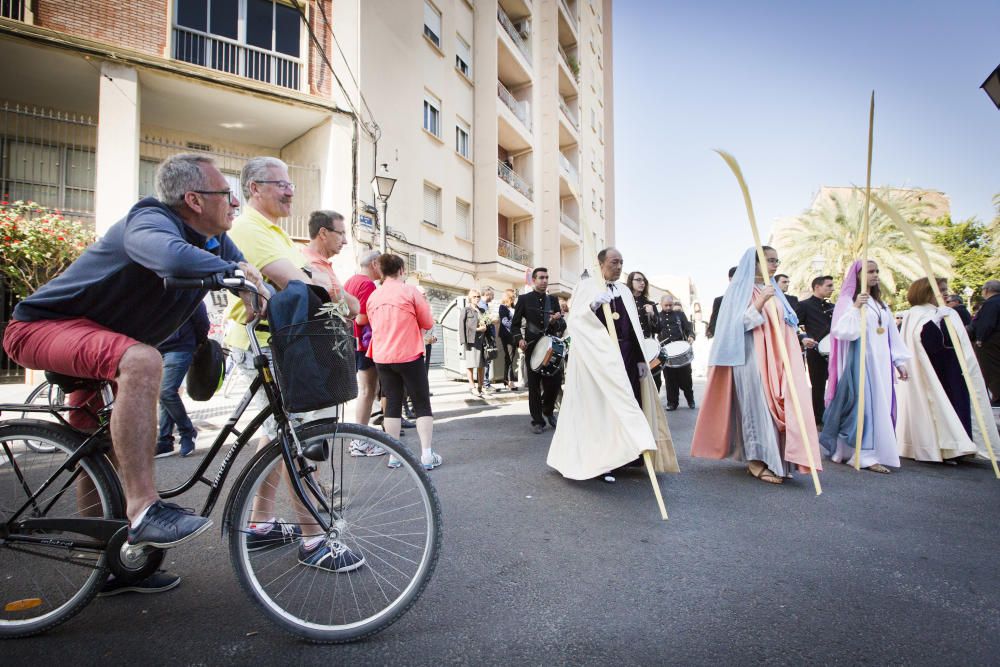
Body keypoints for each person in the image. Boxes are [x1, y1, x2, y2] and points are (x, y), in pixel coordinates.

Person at [2, 153, 262, 594]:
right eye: (228, 195)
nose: (234, 203)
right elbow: (174, 260)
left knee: (97, 455)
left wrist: (261, 295)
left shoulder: (215, 241)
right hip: (40, 329)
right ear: (194, 200)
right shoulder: (150, 221)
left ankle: (103, 565)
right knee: (143, 360)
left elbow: (208, 297)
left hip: (99, 346)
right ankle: (144, 510)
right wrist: (233, 273)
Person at [225, 156, 364, 572]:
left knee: (273, 438)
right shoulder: (251, 228)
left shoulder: (275, 232)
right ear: (254, 188)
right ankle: (313, 537)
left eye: (291, 185)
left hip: (277, 342)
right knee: (295, 438)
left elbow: (320, 285)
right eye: (280, 184)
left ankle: (261, 524)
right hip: (270, 344)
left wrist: (328, 289)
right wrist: (331, 291)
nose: (290, 191)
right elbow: (301, 284)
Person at [691, 247, 822, 485]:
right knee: (757, 407)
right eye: (768, 261)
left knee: (781, 405)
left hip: (778, 359)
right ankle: (757, 461)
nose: (774, 265)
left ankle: (778, 459)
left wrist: (800, 339)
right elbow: (735, 325)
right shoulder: (740, 291)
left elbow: (787, 323)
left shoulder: (777, 292)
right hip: (751, 357)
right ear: (755, 264)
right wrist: (760, 302)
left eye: (776, 260)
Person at [547, 248, 678, 482]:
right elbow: (575, 322)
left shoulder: (624, 291)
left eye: (621, 263)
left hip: (626, 357)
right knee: (602, 409)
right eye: (614, 262)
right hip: (599, 359)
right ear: (600, 264)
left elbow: (634, 330)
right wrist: (593, 307)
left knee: (628, 404)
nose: (618, 267)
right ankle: (602, 460)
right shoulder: (586, 287)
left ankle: (627, 455)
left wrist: (640, 361)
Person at [820, 260, 911, 473]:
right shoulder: (847, 301)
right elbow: (842, 332)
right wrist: (855, 307)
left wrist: (899, 361)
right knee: (864, 408)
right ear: (858, 276)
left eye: (877, 271)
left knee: (881, 406)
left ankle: (871, 452)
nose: (875, 275)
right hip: (862, 364)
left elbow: (891, 336)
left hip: (882, 365)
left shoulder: (881, 304)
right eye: (870, 271)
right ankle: (863, 455)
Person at [897, 278, 998, 462]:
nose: (945, 293)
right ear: (926, 291)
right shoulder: (917, 314)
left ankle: (962, 445)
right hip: (933, 369)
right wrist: (935, 321)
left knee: (959, 404)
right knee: (939, 407)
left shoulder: (946, 312)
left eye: (945, 289)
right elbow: (925, 341)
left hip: (952, 367)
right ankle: (946, 447)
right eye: (940, 289)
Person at [365, 254, 441, 470]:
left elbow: (372, 323)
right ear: (401, 270)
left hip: (382, 356)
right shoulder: (411, 291)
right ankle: (426, 455)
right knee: (421, 403)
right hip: (409, 354)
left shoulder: (374, 297)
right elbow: (427, 322)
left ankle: (394, 456)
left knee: (392, 403)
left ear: (381, 272)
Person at [154, 301, 210, 458]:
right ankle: (165, 441)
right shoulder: (150, 289)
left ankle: (187, 432)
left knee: (166, 392)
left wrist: (197, 343)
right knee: (164, 394)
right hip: (157, 348)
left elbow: (202, 320)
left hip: (180, 346)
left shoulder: (185, 286)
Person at [512, 268, 564, 434]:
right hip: (533, 346)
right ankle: (537, 420)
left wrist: (556, 320)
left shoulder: (553, 300)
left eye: (547, 277)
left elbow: (563, 326)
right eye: (541, 278)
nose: (544, 280)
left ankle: (548, 410)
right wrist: (519, 339)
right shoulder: (524, 299)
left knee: (554, 383)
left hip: (551, 347)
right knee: (534, 386)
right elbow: (515, 324)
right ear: (534, 280)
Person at [345, 250, 383, 429]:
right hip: (363, 343)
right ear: (375, 263)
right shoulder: (367, 284)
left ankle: (360, 437)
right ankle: (360, 439)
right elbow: (361, 318)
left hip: (350, 340)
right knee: (368, 391)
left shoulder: (350, 281)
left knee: (365, 390)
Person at [795, 275, 835, 425]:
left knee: (837, 386)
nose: (832, 289)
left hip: (835, 352)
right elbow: (794, 325)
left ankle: (835, 417)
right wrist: (804, 337)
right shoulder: (804, 305)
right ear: (817, 287)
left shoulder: (833, 306)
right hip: (815, 352)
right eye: (828, 286)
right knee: (817, 387)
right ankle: (818, 421)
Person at [657, 294, 695, 410]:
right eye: (666, 305)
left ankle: (690, 400)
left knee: (686, 379)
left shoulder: (680, 315)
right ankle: (672, 403)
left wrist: (691, 336)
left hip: (681, 351)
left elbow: (689, 328)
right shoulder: (657, 317)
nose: (668, 307)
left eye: (670, 305)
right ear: (661, 304)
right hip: (666, 352)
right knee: (669, 379)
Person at [971, 280, 1000, 405]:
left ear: (987, 290)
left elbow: (987, 323)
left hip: (991, 341)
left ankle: (998, 396)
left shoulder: (991, 303)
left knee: (991, 369)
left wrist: (980, 339)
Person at [460, 288, 487, 396]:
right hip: (471, 340)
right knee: (471, 364)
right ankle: (472, 386)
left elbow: (486, 322)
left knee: (481, 364)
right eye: (474, 297)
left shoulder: (482, 310)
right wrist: (463, 340)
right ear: (470, 298)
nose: (476, 298)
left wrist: (486, 327)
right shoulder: (466, 310)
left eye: (478, 296)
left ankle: (481, 386)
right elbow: (462, 326)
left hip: (482, 340)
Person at [706, 266, 738, 338]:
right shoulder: (719, 301)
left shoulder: (749, 297)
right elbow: (713, 323)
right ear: (730, 279)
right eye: (737, 276)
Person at [497, 288, 519, 391]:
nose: (514, 298)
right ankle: (510, 381)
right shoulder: (502, 308)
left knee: (510, 357)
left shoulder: (514, 307)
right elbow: (504, 321)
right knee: (510, 357)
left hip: (514, 335)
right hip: (507, 335)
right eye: (513, 297)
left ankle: (506, 380)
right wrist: (515, 327)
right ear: (508, 298)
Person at [479, 287, 497, 390]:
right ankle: (485, 384)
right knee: (486, 359)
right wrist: (492, 320)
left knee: (487, 360)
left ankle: (486, 383)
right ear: (487, 294)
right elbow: (485, 321)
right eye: (492, 295)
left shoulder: (485, 305)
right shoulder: (482, 305)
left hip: (488, 336)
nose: (493, 297)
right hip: (486, 337)